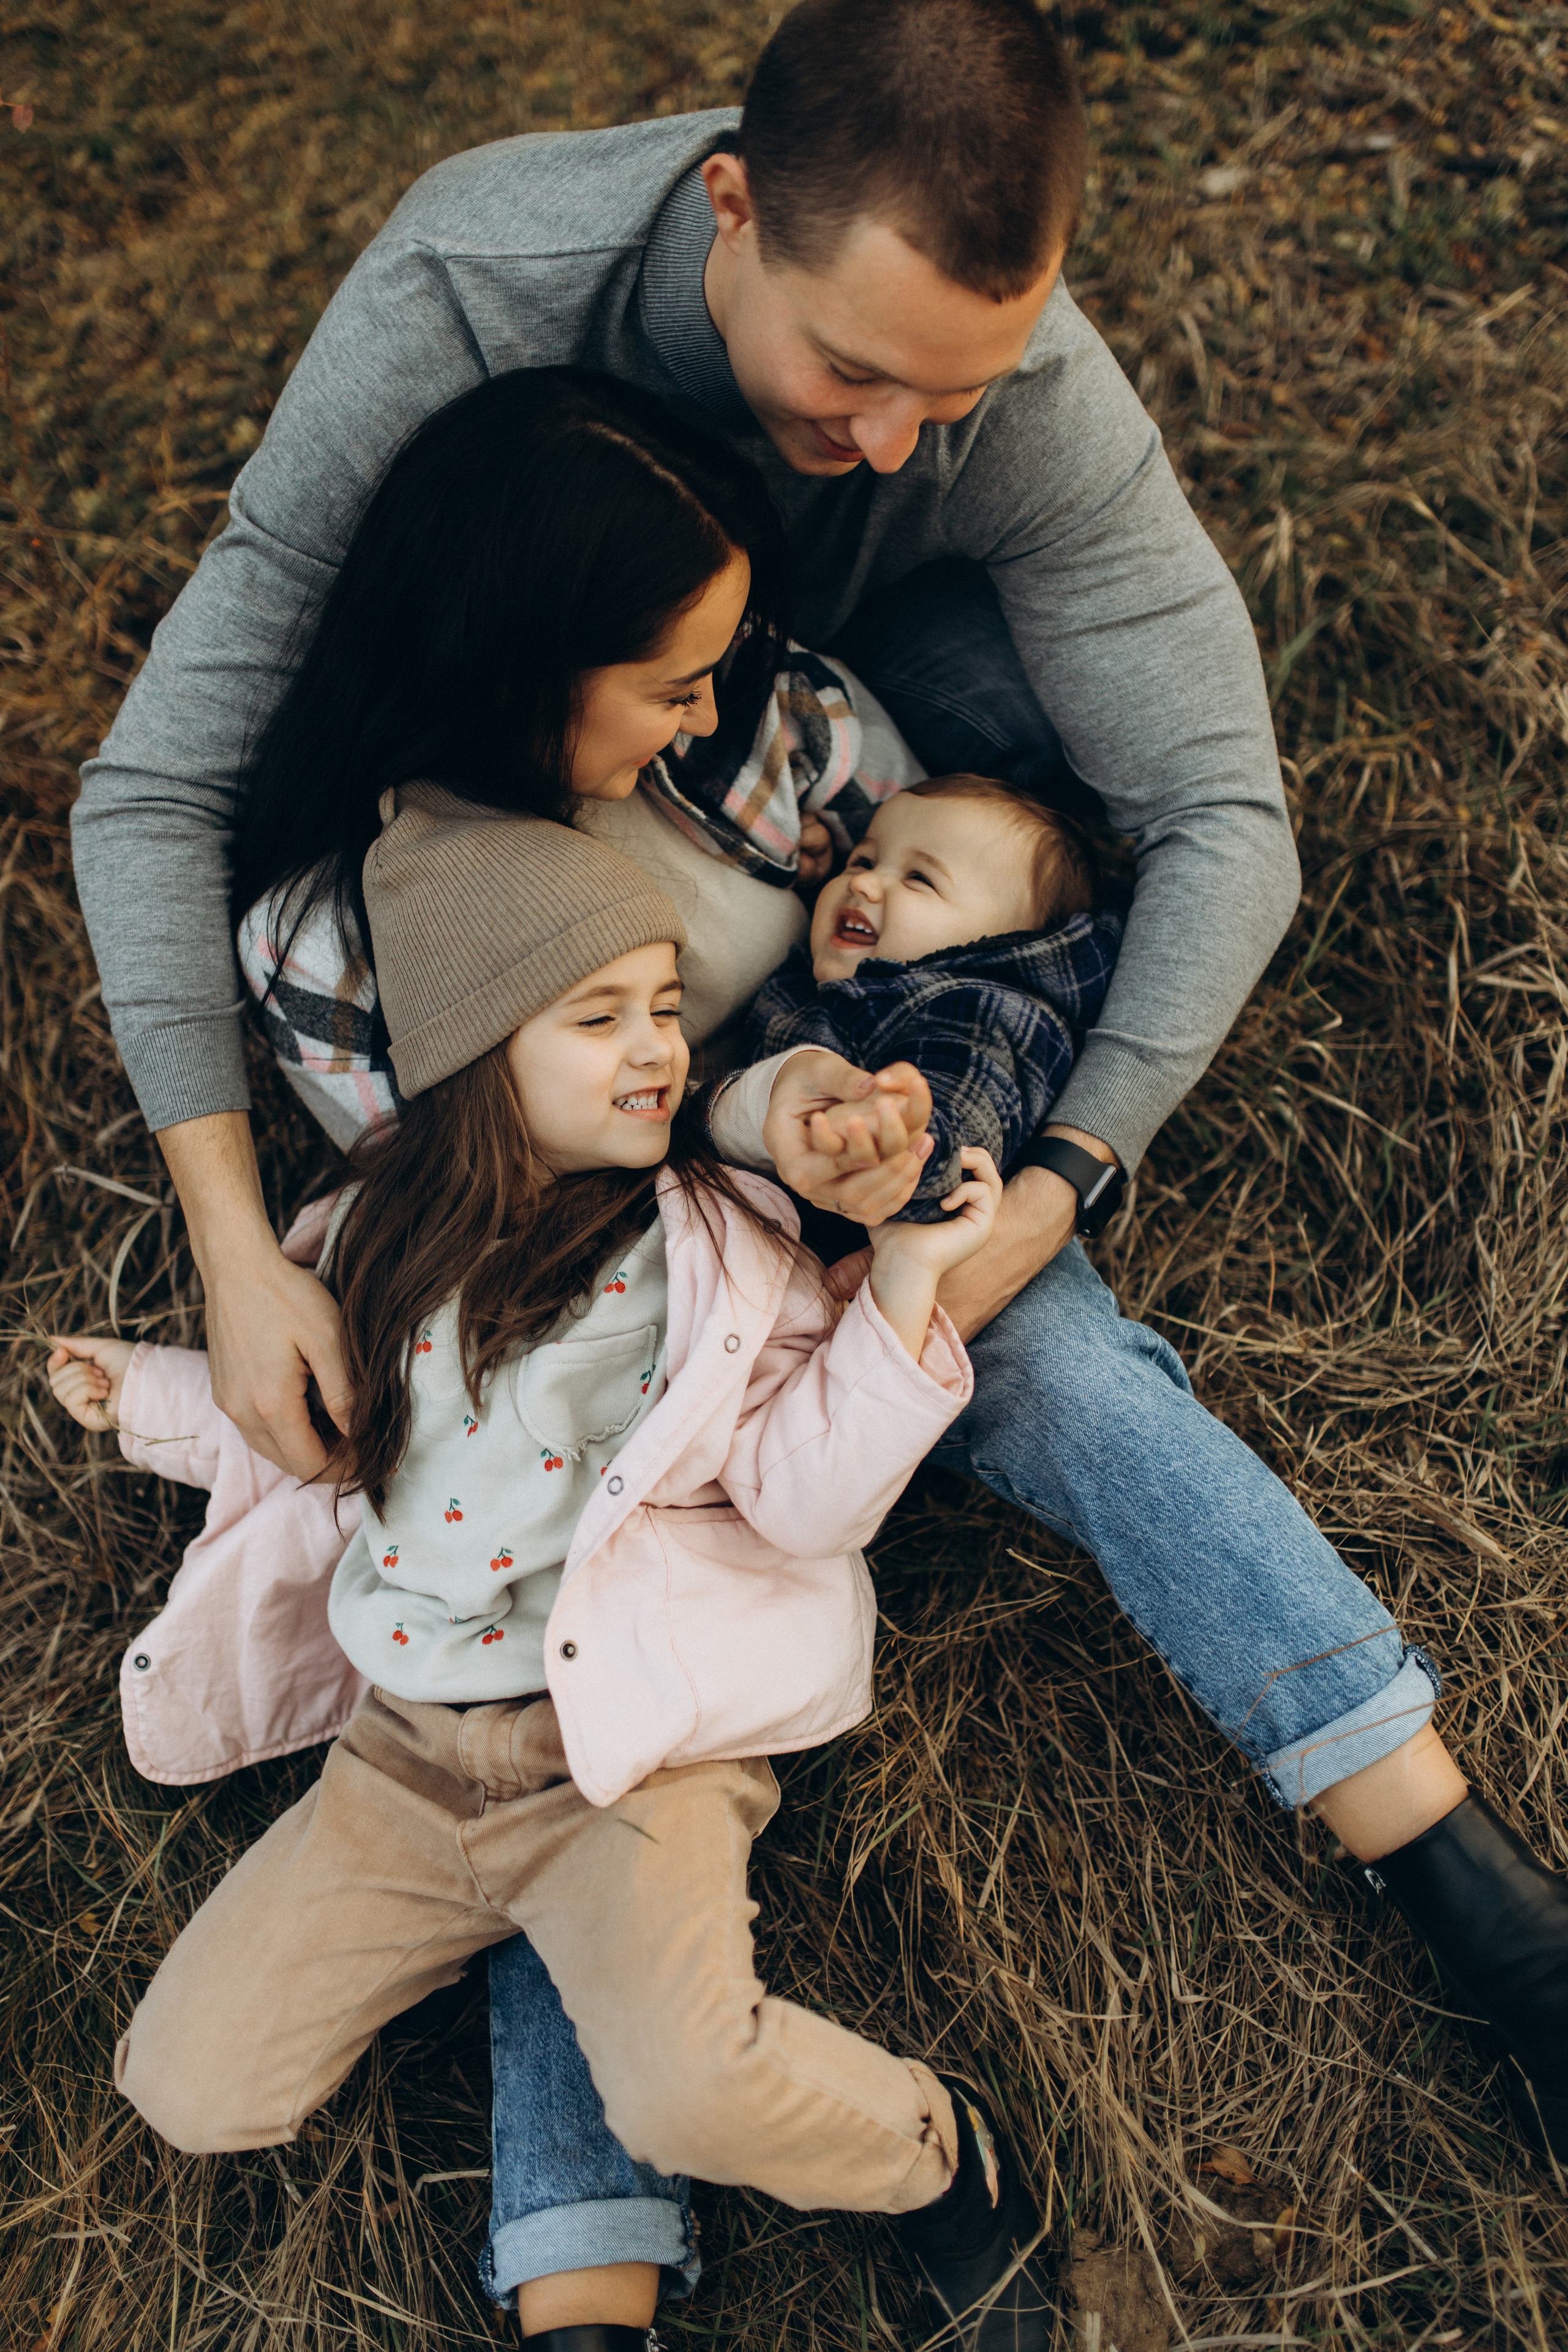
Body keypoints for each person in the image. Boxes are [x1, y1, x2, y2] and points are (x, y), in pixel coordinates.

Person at [66, 0, 1566, 2310]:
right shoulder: (481, 299)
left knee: (1031, 1349)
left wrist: (1034, 1180)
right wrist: (238, 1247)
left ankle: (1445, 1864)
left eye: (950, 403)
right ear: (725, 208)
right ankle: (590, 2252)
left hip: (791, 830)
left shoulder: (936, 494)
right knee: (541, 1512)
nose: (887, 449)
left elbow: (1225, 822)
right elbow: (160, 788)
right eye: (851, 383)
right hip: (541, 902)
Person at [56, 793, 1060, 2342]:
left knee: (685, 2086)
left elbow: (803, 1499)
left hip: (618, 1766)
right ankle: (481, 1937)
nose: (657, 1045)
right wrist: (144, 1395)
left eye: (663, 1005)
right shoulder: (371, 1234)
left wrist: (902, 1295)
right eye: (599, 1017)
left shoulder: (716, 1249)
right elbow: (300, 1428)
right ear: (472, 1050)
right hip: (398, 1766)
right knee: (186, 2085)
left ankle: (937, 2157)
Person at [744, 773, 1125, 1216]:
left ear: (1002, 942)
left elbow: (961, 1115)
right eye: (864, 861)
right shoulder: (822, 978)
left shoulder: (981, 1011)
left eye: (919, 879)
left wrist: (895, 1145)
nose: (863, 884)